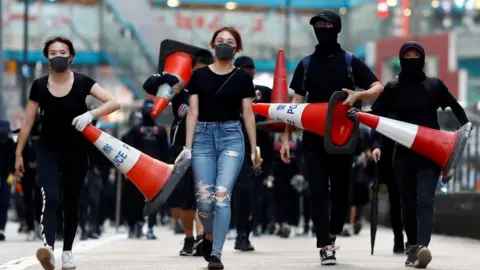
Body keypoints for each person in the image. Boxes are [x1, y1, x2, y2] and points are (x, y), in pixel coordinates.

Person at [349, 41, 469, 268]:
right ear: (401, 60)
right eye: (407, 56)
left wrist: (464, 131)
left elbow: (455, 107)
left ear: (422, 59)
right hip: (402, 155)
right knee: (407, 204)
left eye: (416, 56)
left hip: (430, 154)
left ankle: (422, 247)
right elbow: (376, 115)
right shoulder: (393, 88)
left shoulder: (434, 86)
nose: (411, 61)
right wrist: (358, 114)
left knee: (425, 200)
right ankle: (412, 245)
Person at [280, 10, 383, 265]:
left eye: (327, 24)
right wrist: (285, 138)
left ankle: (333, 232)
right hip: (313, 138)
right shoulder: (305, 64)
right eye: (318, 25)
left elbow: (378, 87)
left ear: (336, 28)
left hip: (343, 137)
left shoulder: (350, 61)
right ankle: (325, 245)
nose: (322, 28)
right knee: (317, 191)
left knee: (340, 194)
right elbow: (296, 104)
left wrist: (357, 97)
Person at [14, 36, 120, 270]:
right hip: (48, 150)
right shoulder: (39, 86)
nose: (58, 56)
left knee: (71, 201)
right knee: (50, 198)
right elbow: (28, 120)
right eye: (53, 53)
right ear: (47, 57)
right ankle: (48, 250)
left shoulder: (83, 82)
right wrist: (19, 153)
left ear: (71, 56)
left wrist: (91, 115)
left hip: (77, 151)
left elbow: (114, 103)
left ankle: (68, 252)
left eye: (63, 52)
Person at [174, 26, 262, 270]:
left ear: (237, 48)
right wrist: (188, 146)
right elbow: (193, 112)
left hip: (232, 137)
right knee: (204, 200)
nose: (225, 44)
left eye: (230, 41)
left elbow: (248, 113)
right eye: (220, 40)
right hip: (202, 137)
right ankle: (209, 234)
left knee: (222, 196)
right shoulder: (199, 76)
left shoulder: (243, 78)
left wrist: (255, 148)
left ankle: (216, 254)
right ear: (213, 44)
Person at [166, 49, 213, 256]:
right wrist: (172, 80)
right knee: (185, 200)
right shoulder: (181, 91)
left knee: (202, 196)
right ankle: (188, 238)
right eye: (196, 68)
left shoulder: (214, 91)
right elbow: (150, 86)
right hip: (182, 150)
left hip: (206, 147)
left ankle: (203, 239)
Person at [232, 56, 275, 251]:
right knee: (240, 193)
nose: (248, 72)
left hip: (259, 151)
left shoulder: (264, 92)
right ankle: (239, 232)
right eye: (244, 69)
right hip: (234, 148)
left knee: (254, 197)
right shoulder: (229, 92)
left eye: (251, 69)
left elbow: (279, 112)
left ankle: (245, 233)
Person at [123, 100, 170, 240]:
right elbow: (128, 149)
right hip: (139, 169)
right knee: (137, 198)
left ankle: (150, 227)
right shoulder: (135, 130)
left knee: (154, 199)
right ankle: (138, 223)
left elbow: (165, 151)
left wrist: (166, 169)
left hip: (155, 170)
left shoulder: (160, 130)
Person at [370, 126, 405, 254]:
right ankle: (399, 238)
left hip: (408, 157)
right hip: (389, 161)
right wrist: (376, 146)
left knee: (411, 201)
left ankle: (413, 239)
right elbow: (376, 127)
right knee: (395, 202)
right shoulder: (384, 107)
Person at [0, 120, 15, 241]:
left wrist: (14, 174)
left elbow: (15, 161)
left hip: (7, 177)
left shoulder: (11, 144)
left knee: (4, 202)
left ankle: (1, 228)